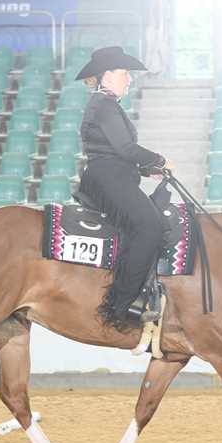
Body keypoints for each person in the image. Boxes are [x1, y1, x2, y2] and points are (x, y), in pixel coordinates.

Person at [74, 46, 172, 330]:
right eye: (124, 73)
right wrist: (159, 159)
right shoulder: (104, 105)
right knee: (150, 226)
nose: (129, 79)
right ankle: (120, 306)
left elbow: (114, 152)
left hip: (111, 175)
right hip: (108, 179)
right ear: (106, 76)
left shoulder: (104, 104)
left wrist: (147, 169)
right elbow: (125, 148)